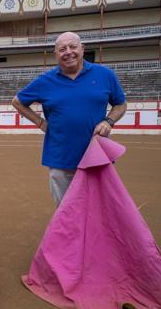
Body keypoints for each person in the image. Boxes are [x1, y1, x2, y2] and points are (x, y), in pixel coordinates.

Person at [12, 31, 127, 207]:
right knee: (66, 210)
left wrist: (108, 121)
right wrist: (40, 122)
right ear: (56, 54)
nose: (68, 52)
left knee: (98, 207)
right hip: (60, 159)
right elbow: (18, 102)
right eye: (62, 49)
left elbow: (120, 105)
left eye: (73, 46)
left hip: (96, 156)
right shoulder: (45, 81)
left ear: (82, 48)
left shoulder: (104, 75)